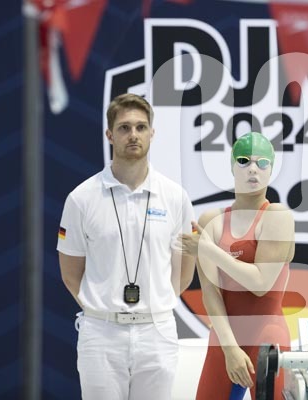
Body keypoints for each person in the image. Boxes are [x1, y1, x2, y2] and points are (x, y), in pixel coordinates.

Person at [57, 93, 196, 400]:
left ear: (152, 133)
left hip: (156, 332)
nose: (133, 134)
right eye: (124, 128)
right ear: (110, 135)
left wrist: (156, 303)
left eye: (141, 127)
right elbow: (70, 273)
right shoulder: (81, 199)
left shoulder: (175, 197)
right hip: (101, 333)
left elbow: (184, 272)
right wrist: (102, 309)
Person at [179, 132, 295, 400]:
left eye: (262, 163)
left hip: (267, 335)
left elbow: (260, 284)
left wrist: (208, 249)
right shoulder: (211, 220)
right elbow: (210, 293)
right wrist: (230, 348)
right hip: (224, 339)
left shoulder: (278, 217)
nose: (253, 169)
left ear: (271, 170)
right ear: (232, 166)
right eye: (244, 161)